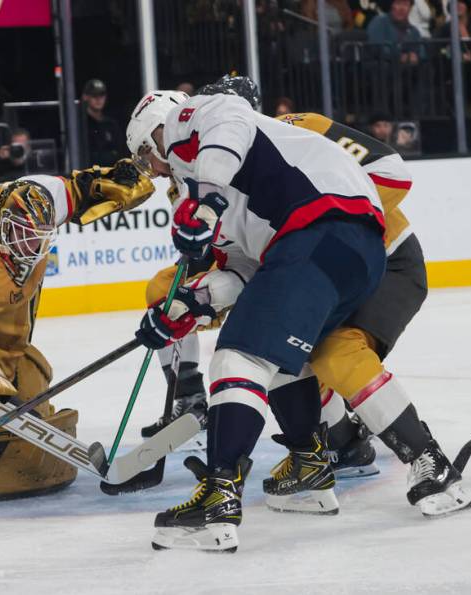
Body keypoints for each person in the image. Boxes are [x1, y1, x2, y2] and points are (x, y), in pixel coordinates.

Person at [127, 89, 382, 552]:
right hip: (348, 250)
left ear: (153, 136)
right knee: (276, 356)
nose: (156, 170)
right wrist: (188, 305)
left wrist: (205, 202)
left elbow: (231, 120)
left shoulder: (197, 118)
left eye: (148, 158)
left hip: (320, 226)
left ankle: (218, 500)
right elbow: (243, 272)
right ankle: (310, 473)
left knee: (236, 357)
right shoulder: (220, 191)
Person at [0, 161, 155, 502]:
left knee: (35, 382)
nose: (32, 248)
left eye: (39, 239)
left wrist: (97, 183)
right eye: (24, 238)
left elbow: (61, 188)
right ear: (1, 228)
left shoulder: (25, 210)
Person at [81, 78, 123, 167]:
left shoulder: (111, 124)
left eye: (101, 95)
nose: (98, 99)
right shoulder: (80, 124)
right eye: (94, 95)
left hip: (111, 174)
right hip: (87, 175)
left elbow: (120, 152)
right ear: (85, 97)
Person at [367, 0, 425, 64]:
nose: (401, 8)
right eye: (398, 3)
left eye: (405, 4)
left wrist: (416, 57)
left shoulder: (413, 31)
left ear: (410, 8)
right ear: (392, 6)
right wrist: (400, 57)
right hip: (381, 70)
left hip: (407, 71)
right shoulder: (379, 22)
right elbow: (376, 48)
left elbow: (421, 53)